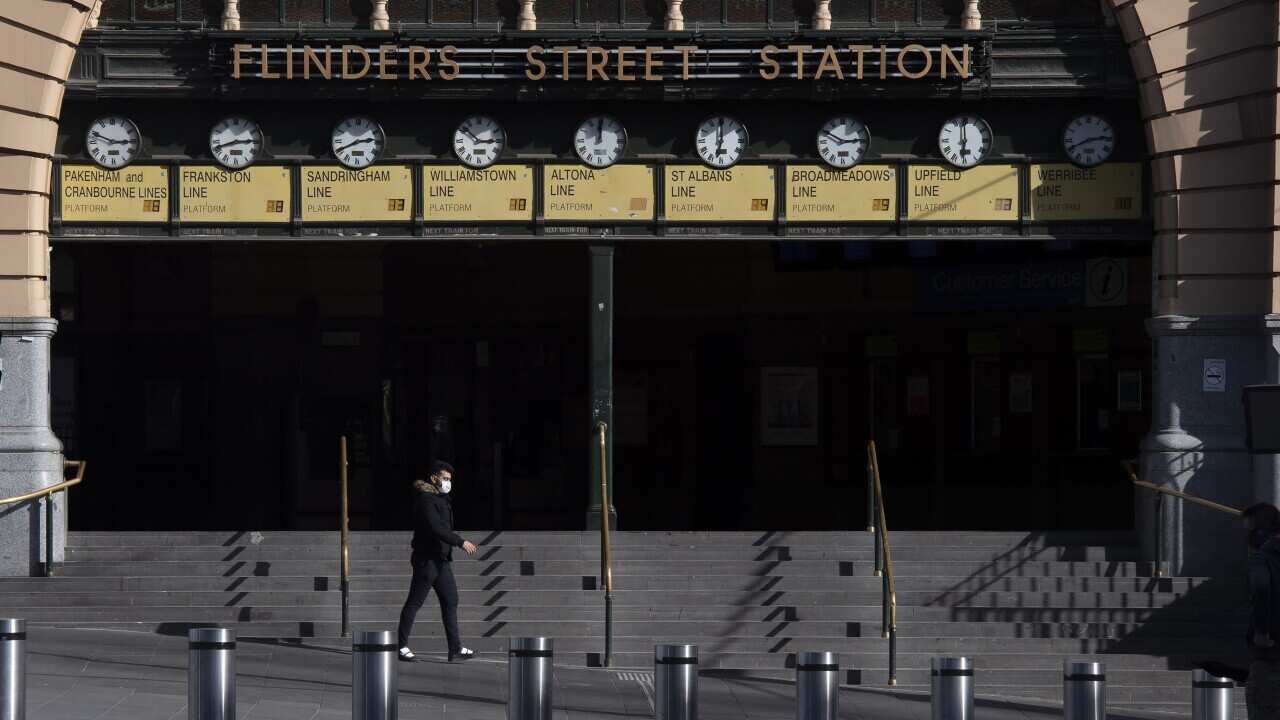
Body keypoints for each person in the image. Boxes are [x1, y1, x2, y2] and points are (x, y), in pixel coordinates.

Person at [397, 460, 478, 662]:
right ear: (434, 478)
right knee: (415, 602)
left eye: (450, 479)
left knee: (451, 600)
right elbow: (437, 528)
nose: (448, 482)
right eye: (445, 478)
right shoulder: (426, 500)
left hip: (440, 560)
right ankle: (401, 646)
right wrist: (460, 542)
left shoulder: (442, 499)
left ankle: (455, 649)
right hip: (426, 560)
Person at [1244, 502, 1280, 719]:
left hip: (1272, 651)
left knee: (1262, 704)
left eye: (1249, 531)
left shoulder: (1262, 558)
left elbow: (1261, 592)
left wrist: (1262, 632)